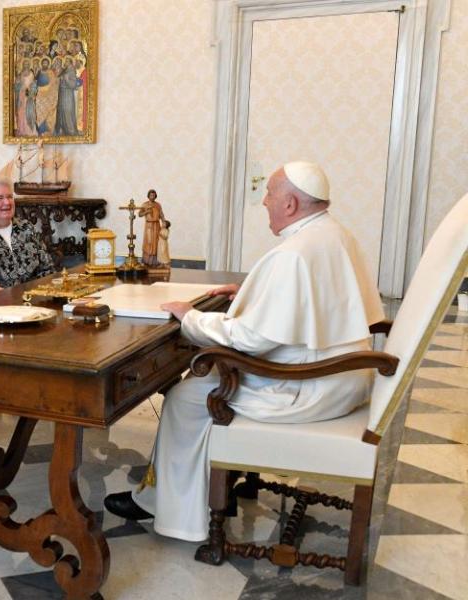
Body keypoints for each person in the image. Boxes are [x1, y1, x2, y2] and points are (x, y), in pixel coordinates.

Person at [104, 162, 385, 542]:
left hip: (304, 388)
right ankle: (210, 485)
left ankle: (167, 508)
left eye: (269, 194)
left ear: (289, 204)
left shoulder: (294, 252)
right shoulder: (335, 233)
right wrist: (253, 291)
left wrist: (191, 318)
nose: (264, 202)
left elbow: (251, 340)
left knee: (186, 396)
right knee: (201, 381)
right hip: (342, 378)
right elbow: (321, 300)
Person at [138, 189, 165, 267]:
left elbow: (161, 214)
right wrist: (146, 212)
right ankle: (147, 261)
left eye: (153, 195)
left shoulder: (158, 205)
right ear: (148, 196)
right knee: (149, 242)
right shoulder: (145, 204)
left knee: (156, 242)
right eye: (151, 195)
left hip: (156, 225)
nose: (152, 197)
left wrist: (163, 222)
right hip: (149, 226)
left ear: (155, 196)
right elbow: (140, 214)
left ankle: (156, 261)